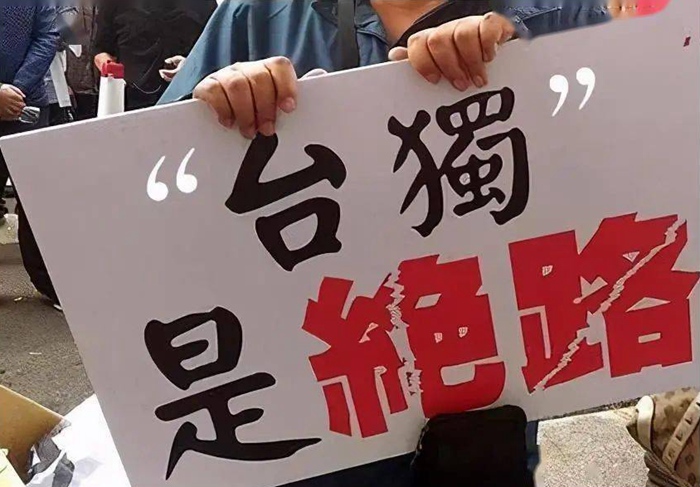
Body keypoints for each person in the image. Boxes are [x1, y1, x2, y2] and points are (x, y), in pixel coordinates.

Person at [160, 1, 614, 485]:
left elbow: (630, 158)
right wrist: (210, 111)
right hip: (310, 429)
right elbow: (147, 186)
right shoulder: (258, 16)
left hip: (484, 427)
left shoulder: (559, 12)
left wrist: (530, 75)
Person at [0, 3, 61, 306]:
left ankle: (51, 284)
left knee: (37, 200)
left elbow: (47, 36)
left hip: (28, 103)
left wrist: (16, 90)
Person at [93, 0, 218, 111]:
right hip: (133, 103)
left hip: (192, 99)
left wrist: (191, 66)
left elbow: (216, 47)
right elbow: (101, 50)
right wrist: (110, 70)